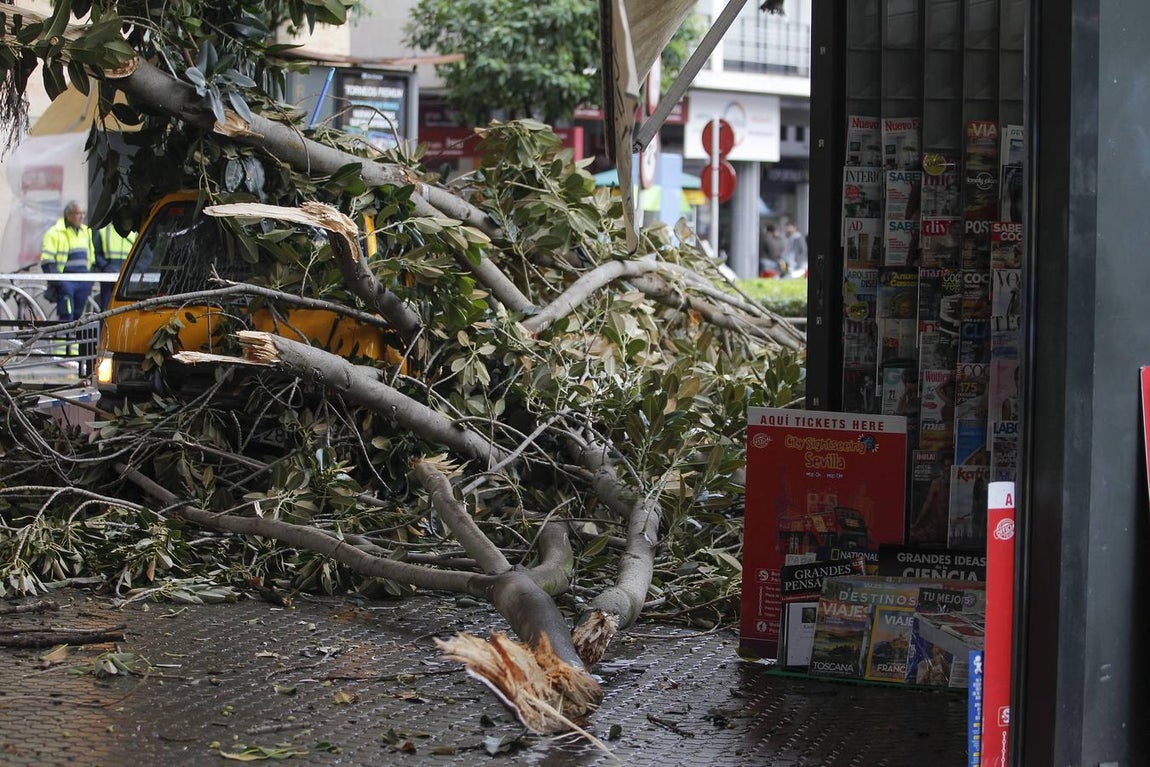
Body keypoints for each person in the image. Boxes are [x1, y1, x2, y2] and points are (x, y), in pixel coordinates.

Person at [40, 200, 95, 323]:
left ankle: (75, 342)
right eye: (77, 213)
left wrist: (89, 280)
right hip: (66, 281)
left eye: (83, 213)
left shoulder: (86, 231)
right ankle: (63, 342)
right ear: (68, 215)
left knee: (80, 317)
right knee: (66, 316)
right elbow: (47, 260)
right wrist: (59, 281)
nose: (81, 217)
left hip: (83, 281)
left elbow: (91, 257)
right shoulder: (54, 233)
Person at [93, 222, 137, 310]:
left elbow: (146, 255)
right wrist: (105, 266)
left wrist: (134, 269)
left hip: (128, 279)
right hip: (109, 277)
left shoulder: (135, 232)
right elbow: (95, 253)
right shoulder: (103, 231)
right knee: (106, 309)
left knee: (128, 309)